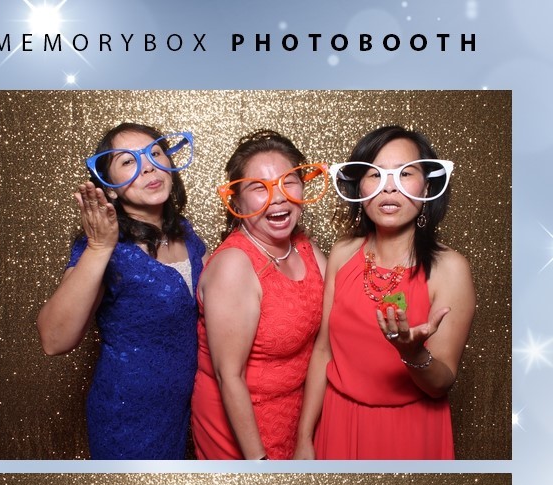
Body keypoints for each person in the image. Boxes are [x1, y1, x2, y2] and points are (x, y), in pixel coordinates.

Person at [296, 127, 474, 460]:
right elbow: (323, 351)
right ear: (358, 187)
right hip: (339, 421)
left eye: (405, 173)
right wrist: (304, 437)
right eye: (375, 174)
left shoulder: (450, 269)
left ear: (428, 186)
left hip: (409, 429)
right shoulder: (343, 253)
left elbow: (441, 383)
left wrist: (413, 352)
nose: (389, 187)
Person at [36, 123, 205, 460]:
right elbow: (53, 340)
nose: (148, 166)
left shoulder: (186, 233)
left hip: (184, 411)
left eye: (155, 153)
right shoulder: (101, 248)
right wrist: (99, 248)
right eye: (128, 161)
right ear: (109, 189)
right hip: (127, 417)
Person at [192, 132, 327, 460]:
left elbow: (328, 339)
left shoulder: (306, 248)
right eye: (259, 188)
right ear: (236, 202)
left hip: (294, 412)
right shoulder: (234, 267)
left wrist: (305, 436)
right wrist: (259, 464)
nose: (278, 197)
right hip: (239, 423)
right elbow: (229, 376)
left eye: (288, 182)